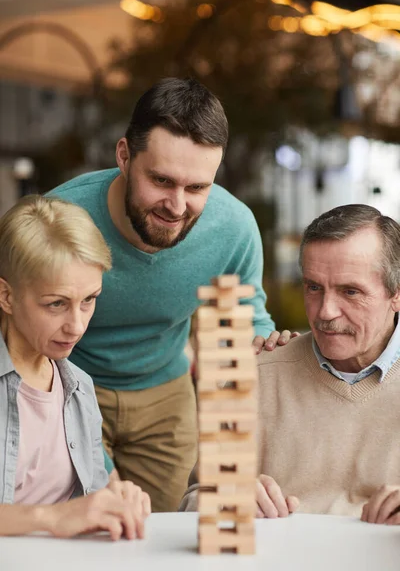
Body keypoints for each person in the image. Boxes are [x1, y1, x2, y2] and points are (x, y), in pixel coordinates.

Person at [48, 77, 295, 512]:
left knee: (162, 534)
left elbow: (247, 321)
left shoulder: (233, 228)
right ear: (124, 156)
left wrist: (269, 347)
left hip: (166, 395)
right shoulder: (60, 220)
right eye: (161, 180)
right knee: (85, 532)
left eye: (198, 188)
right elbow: (19, 337)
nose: (177, 206)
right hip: (67, 387)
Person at [181, 204, 400, 526]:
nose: (325, 312)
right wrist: (225, 501)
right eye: (313, 287)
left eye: (350, 291)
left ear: (396, 294)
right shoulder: (255, 377)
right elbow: (193, 502)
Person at [0, 195, 150, 539]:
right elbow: (63, 515)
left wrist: (114, 499)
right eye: (56, 304)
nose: (77, 326)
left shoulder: (78, 387)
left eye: (89, 300)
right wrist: (51, 518)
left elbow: (88, 500)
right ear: (6, 296)